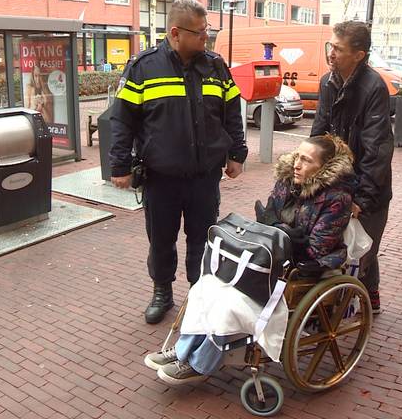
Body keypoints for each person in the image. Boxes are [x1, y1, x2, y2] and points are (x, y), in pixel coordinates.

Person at [144, 135, 355, 384]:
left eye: (306, 160)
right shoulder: (287, 182)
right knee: (207, 287)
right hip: (272, 259)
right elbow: (267, 220)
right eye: (297, 156)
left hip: (304, 268)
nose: (297, 164)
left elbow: (317, 249)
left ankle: (200, 364)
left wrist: (284, 238)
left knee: (229, 303)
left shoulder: (337, 199)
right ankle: (183, 351)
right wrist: (280, 231)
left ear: (324, 167)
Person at [109, 0, 248, 324]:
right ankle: (162, 293)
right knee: (161, 240)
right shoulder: (143, 68)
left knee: (202, 240)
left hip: (204, 177)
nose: (206, 38)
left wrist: (237, 154)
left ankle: (198, 297)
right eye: (201, 33)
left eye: (207, 31)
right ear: (176, 32)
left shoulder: (215, 67)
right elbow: (122, 121)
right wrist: (119, 166)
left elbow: (232, 113)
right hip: (161, 178)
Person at [310, 21, 394, 314]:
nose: (331, 53)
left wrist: (363, 199)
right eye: (330, 46)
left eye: (338, 49)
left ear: (359, 55)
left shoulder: (374, 87)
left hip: (369, 186)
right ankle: (358, 294)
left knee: (364, 246)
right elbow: (319, 132)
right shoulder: (327, 81)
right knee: (344, 242)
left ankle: (369, 295)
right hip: (336, 181)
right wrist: (307, 168)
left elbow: (378, 150)